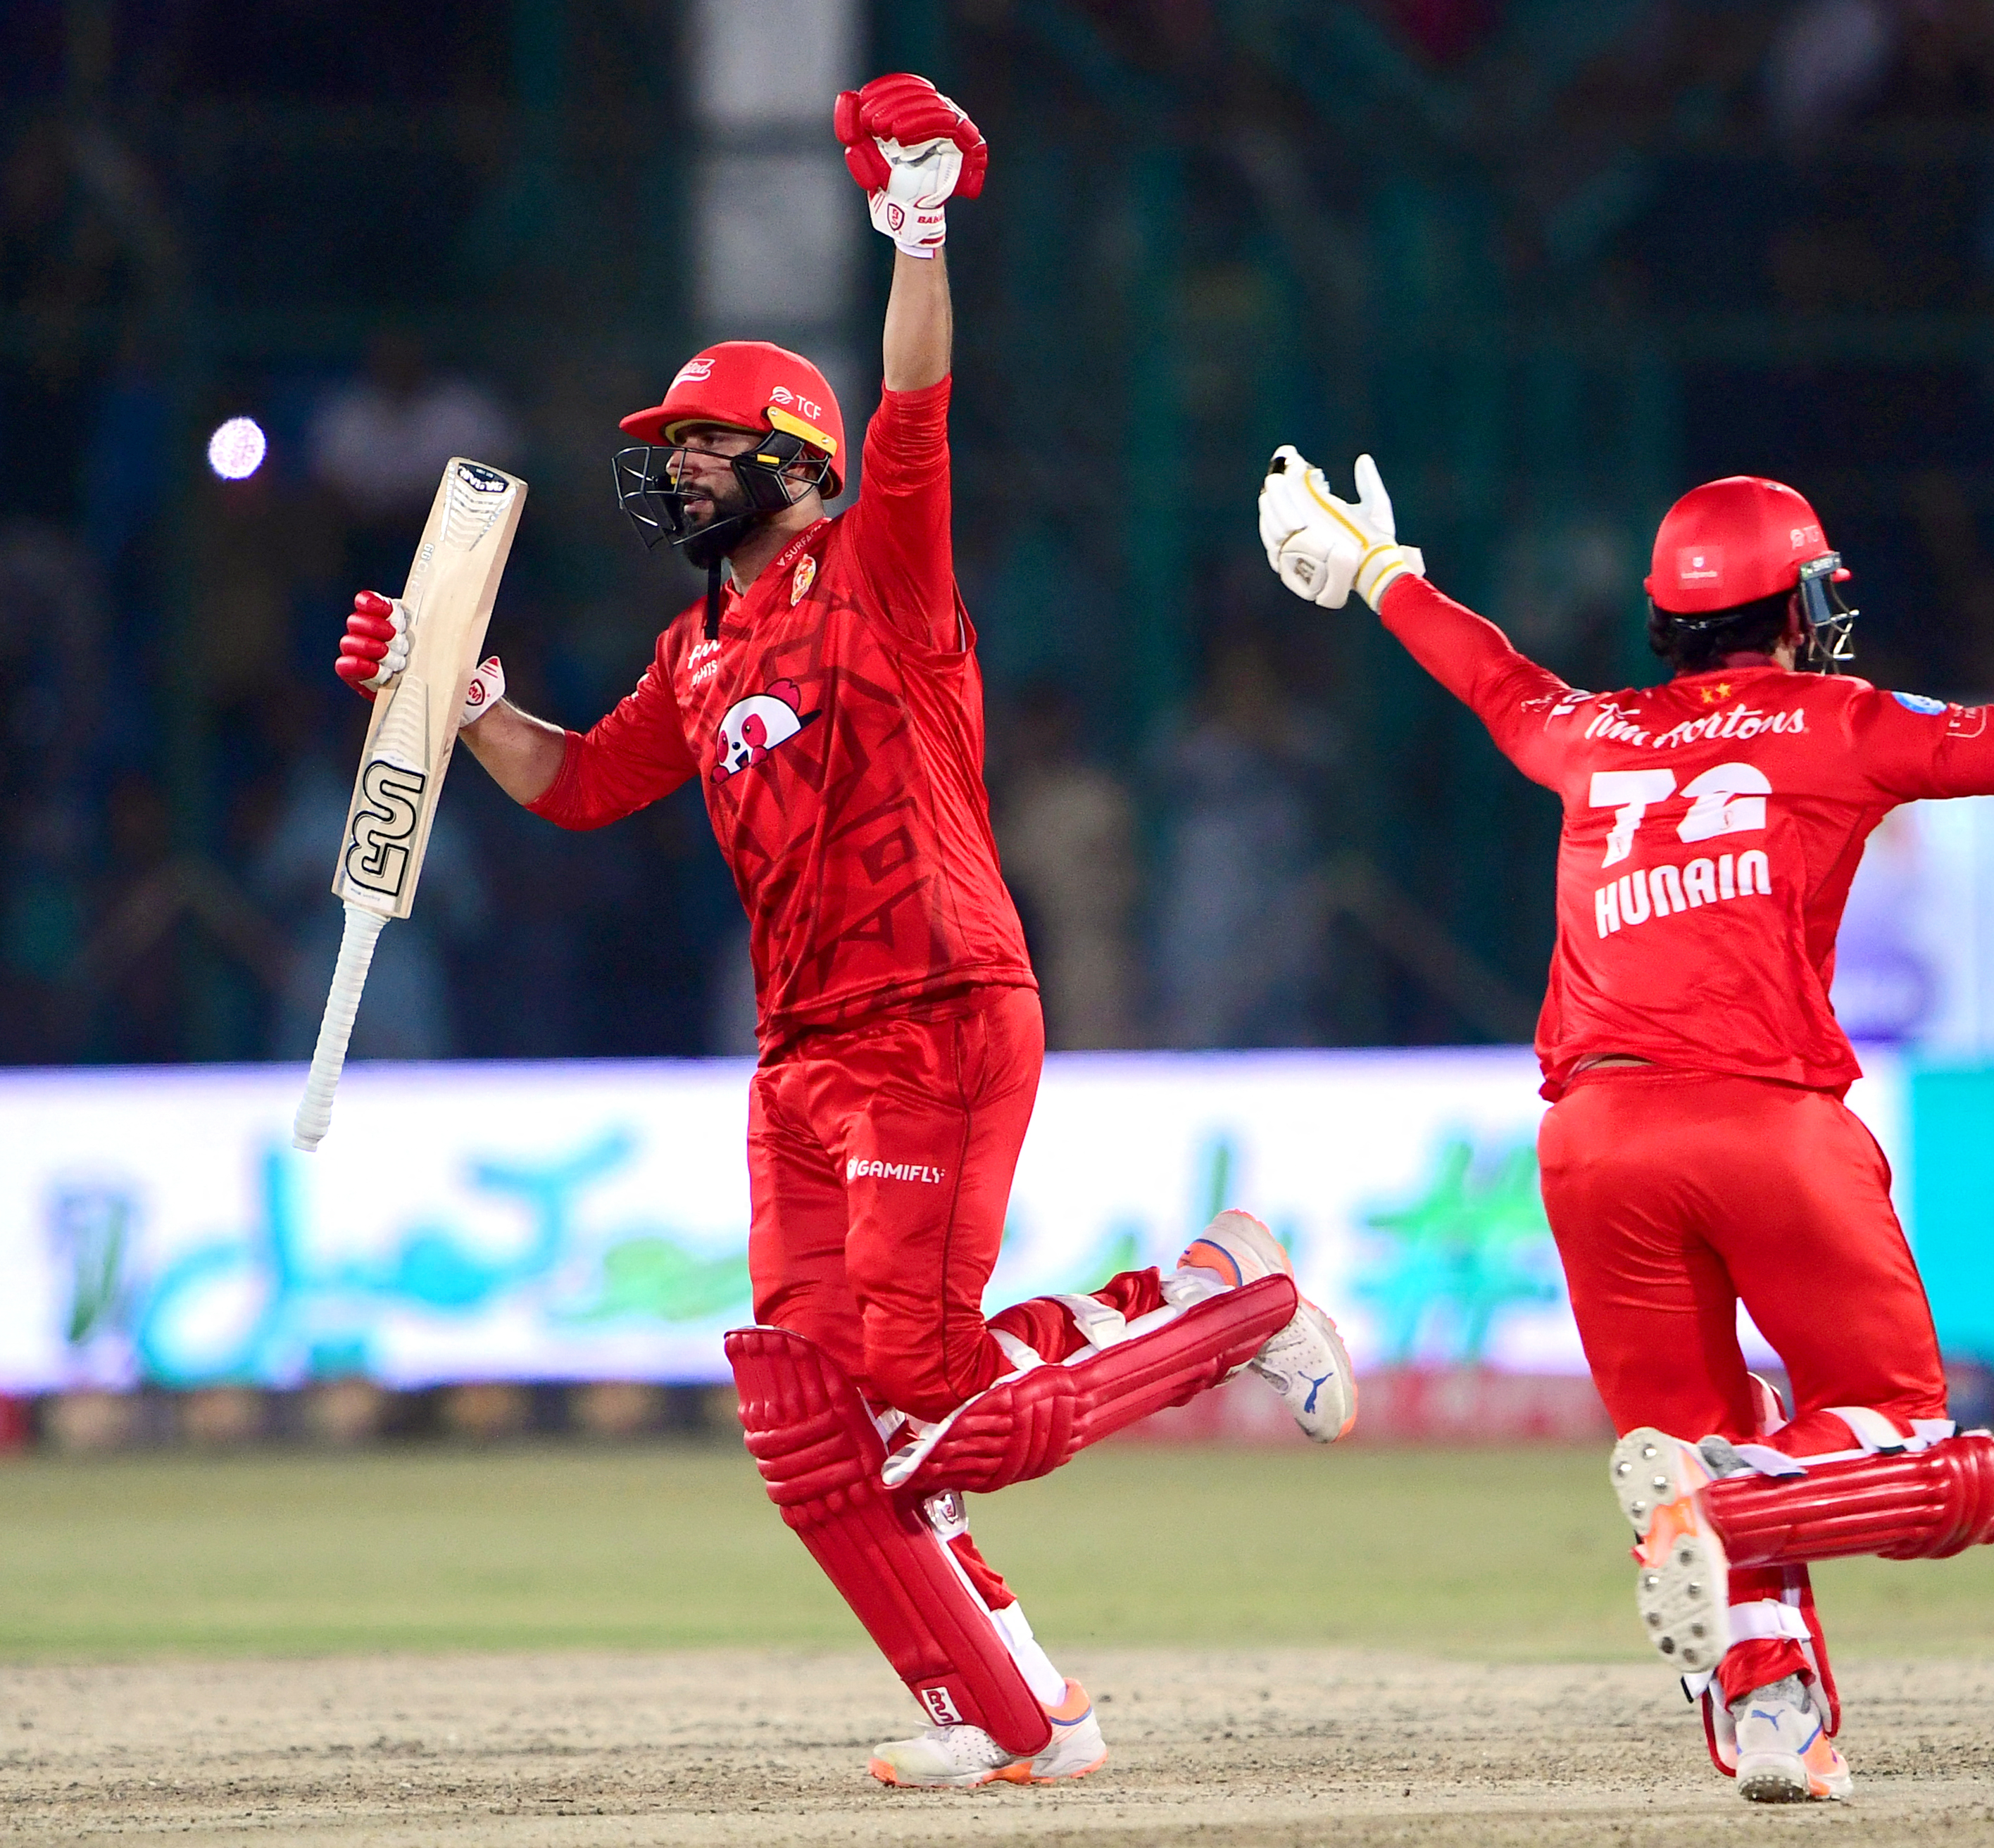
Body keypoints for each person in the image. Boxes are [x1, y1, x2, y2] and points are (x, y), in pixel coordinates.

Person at [327, 73, 1355, 1792]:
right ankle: (1016, 1713)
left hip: (940, 1009)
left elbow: (919, 402)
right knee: (813, 1426)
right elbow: (578, 789)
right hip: (802, 1054)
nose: (674, 469)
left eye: (703, 445)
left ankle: (1222, 1299)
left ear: (791, 464)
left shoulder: (881, 563)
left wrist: (919, 220)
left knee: (933, 1392)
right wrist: (455, 701)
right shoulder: (697, 653)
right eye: (665, 450)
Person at [1257, 446, 1994, 1804]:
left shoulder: (1594, 734)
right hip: (1761, 1122)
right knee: (1919, 1441)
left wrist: (1380, 575)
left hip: (1586, 1143)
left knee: (1694, 1441)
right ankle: (1724, 1497)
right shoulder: (1836, 720)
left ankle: (1772, 1721)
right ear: (1794, 607)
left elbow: (1496, 679)